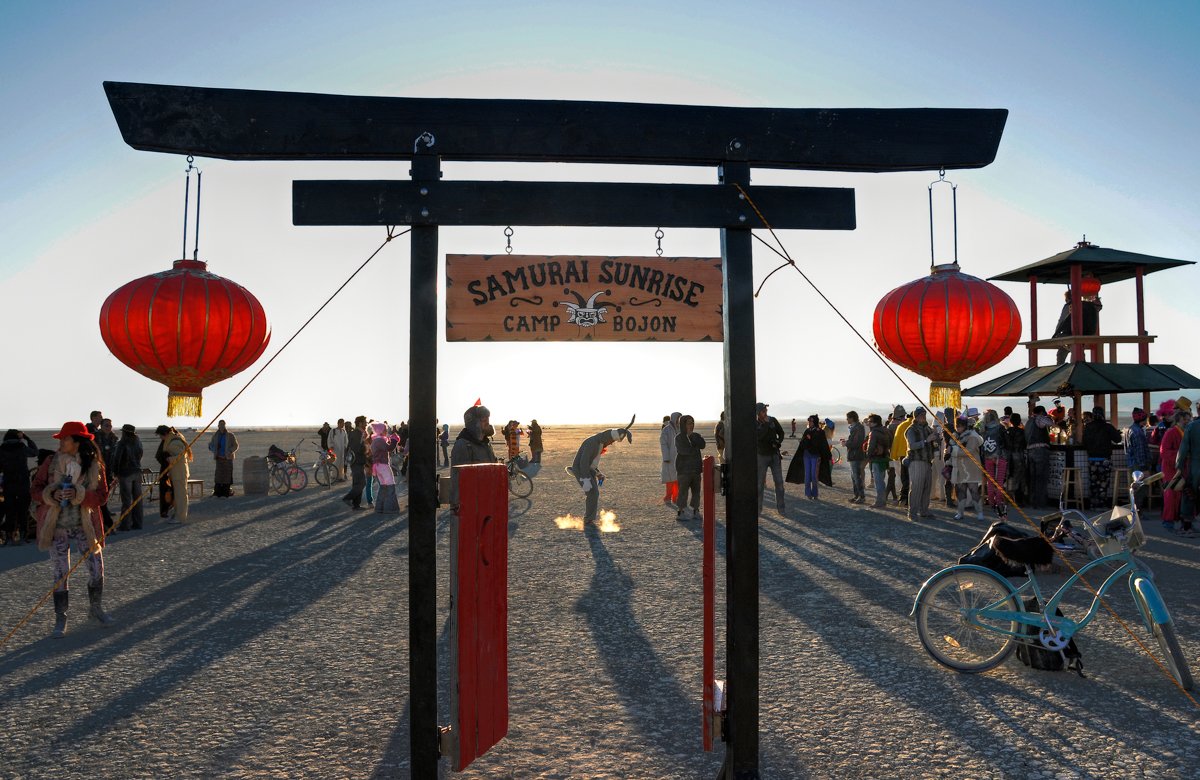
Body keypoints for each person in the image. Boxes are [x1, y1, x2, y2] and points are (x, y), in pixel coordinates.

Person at [31, 421, 113, 636]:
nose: (61, 442)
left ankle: (95, 609)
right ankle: (61, 618)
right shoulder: (50, 462)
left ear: (77, 441)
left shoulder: (95, 466)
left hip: (86, 527)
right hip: (57, 528)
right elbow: (35, 490)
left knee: (96, 569)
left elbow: (102, 498)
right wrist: (51, 494)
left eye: (65, 438)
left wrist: (81, 495)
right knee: (60, 573)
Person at [568, 418, 634, 524]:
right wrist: (585, 479)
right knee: (592, 493)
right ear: (609, 438)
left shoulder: (600, 443)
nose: (611, 443)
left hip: (587, 470)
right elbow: (583, 463)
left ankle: (589, 519)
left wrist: (598, 473)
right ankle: (588, 519)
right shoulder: (592, 443)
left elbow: (591, 463)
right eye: (612, 441)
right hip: (581, 470)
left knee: (594, 493)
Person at [450, 406, 496, 515]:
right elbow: (459, 481)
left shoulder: (486, 444)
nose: (488, 423)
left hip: (487, 504)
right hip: (472, 509)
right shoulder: (463, 445)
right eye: (484, 420)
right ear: (473, 423)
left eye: (488, 419)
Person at [0, 430, 38, 545]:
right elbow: (35, 452)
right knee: (23, 510)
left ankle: (9, 537)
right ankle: (23, 536)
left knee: (9, 510)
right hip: (22, 483)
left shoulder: (1, 449)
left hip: (8, 483)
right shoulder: (21, 447)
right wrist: (27, 438)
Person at [1082, 407, 1121, 511]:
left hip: (1092, 459)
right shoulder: (1107, 427)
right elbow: (1118, 439)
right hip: (1104, 459)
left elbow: (1084, 443)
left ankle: (1093, 505)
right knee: (1103, 483)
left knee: (1094, 482)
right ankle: (1102, 505)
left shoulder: (1088, 427)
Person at [1160, 409, 1192, 535]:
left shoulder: (1186, 432)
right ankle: (1168, 522)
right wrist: (1181, 455)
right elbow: (1164, 452)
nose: (1188, 422)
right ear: (1179, 420)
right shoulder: (1171, 432)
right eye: (1186, 419)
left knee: (1185, 496)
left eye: (1189, 420)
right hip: (1170, 469)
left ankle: (1185, 523)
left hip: (1183, 468)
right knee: (1171, 496)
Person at [904, 407, 938, 520]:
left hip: (928, 461)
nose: (923, 416)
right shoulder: (911, 430)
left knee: (926, 487)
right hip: (916, 461)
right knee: (916, 488)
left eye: (924, 414)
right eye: (921, 414)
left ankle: (924, 510)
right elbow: (912, 446)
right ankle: (912, 513)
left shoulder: (927, 428)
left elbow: (934, 442)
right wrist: (926, 441)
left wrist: (936, 438)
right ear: (916, 416)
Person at [1052, 289, 1101, 364]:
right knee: (1063, 351)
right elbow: (1098, 307)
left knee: (1064, 345)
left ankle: (1061, 367)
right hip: (1088, 333)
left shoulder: (1069, 305)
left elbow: (1061, 321)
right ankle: (1080, 361)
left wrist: (1055, 334)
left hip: (1072, 334)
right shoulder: (1087, 305)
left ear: (1068, 299)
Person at [950, 416, 984, 521]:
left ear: (964, 426)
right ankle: (960, 512)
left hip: (971, 468)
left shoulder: (973, 436)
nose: (957, 428)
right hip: (960, 468)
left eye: (959, 426)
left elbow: (968, 451)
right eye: (956, 426)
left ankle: (980, 512)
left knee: (973, 490)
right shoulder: (955, 436)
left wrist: (954, 450)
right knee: (960, 490)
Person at [111, 424, 144, 531]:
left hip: (125, 474)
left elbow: (117, 459)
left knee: (127, 500)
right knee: (137, 499)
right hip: (137, 471)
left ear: (124, 432)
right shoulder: (138, 442)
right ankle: (137, 523)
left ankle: (125, 525)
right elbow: (140, 454)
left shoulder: (122, 443)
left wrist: (115, 472)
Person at [755, 403, 786, 515]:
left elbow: (781, 432)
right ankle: (758, 509)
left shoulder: (773, 420)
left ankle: (781, 508)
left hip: (774, 455)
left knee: (779, 483)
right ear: (758, 413)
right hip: (761, 456)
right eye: (763, 411)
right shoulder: (755, 423)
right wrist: (766, 425)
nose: (765, 413)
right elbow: (760, 436)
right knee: (759, 485)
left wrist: (778, 441)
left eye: (766, 411)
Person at [674, 415, 706, 521]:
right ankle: (680, 511)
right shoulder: (679, 438)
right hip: (684, 470)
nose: (691, 425)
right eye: (688, 423)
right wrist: (693, 446)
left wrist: (692, 436)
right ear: (683, 424)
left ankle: (696, 511)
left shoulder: (696, 435)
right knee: (683, 492)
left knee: (696, 492)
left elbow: (702, 445)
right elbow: (684, 451)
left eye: (692, 423)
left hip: (696, 469)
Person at [792, 414, 830, 501]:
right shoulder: (807, 431)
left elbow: (822, 445)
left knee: (814, 475)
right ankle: (808, 493)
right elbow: (802, 443)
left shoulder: (820, 432)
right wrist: (808, 440)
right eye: (808, 420)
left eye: (810, 420)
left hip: (815, 456)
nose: (809, 422)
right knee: (807, 475)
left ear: (815, 422)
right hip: (807, 456)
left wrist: (810, 439)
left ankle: (815, 493)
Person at [157, 425, 191, 522]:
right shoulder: (174, 439)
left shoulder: (174, 442)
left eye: (161, 436)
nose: (161, 438)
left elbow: (181, 456)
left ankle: (180, 517)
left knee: (181, 495)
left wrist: (169, 459)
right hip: (176, 472)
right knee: (178, 495)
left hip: (179, 472)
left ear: (165, 434)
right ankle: (178, 514)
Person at [979, 410, 1009, 517]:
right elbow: (1006, 442)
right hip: (1000, 456)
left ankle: (991, 501)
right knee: (999, 481)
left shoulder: (983, 429)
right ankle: (999, 502)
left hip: (987, 457)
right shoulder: (1001, 427)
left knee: (990, 481)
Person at [1025, 405, 1054, 508]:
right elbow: (1050, 423)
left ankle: (1032, 501)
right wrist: (1049, 417)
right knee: (1041, 477)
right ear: (1041, 412)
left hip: (1030, 451)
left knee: (1032, 477)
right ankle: (1041, 502)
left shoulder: (1028, 422)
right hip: (1040, 451)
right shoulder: (1039, 418)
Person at [369, 422, 401, 513]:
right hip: (383, 466)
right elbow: (389, 448)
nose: (386, 431)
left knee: (383, 487)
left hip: (378, 466)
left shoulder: (376, 440)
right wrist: (395, 440)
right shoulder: (379, 440)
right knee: (390, 486)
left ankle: (380, 507)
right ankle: (390, 508)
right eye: (385, 429)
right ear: (380, 430)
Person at [864, 414, 891, 508]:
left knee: (878, 481)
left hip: (876, 459)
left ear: (875, 422)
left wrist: (867, 457)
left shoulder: (874, 433)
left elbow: (870, 447)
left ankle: (880, 502)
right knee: (881, 480)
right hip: (884, 458)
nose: (869, 423)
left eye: (870, 421)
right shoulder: (886, 430)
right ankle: (882, 500)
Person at [342, 416, 369, 510]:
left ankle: (356, 505)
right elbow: (356, 449)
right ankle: (347, 498)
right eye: (365, 422)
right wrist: (366, 448)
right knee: (362, 483)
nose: (366, 424)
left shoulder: (357, 433)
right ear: (360, 423)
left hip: (357, 462)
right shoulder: (357, 434)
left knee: (357, 483)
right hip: (357, 461)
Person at [208, 420, 239, 497]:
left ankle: (226, 491)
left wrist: (229, 451)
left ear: (225, 425)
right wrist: (214, 449)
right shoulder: (215, 436)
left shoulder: (230, 435)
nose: (222, 426)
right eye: (220, 424)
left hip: (227, 459)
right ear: (218, 426)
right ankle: (218, 492)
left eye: (223, 424)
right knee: (219, 476)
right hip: (219, 459)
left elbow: (236, 445)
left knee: (227, 476)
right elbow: (210, 445)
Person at [842, 411, 867, 504]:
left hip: (856, 455)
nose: (846, 419)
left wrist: (846, 443)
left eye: (847, 418)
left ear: (852, 418)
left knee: (857, 477)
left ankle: (861, 496)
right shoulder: (855, 428)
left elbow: (857, 442)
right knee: (854, 476)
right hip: (854, 455)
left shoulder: (858, 428)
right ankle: (857, 496)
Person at [889, 407, 912, 505]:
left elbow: (895, 441)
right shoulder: (915, 425)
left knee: (902, 478)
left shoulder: (900, 426)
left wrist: (893, 455)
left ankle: (902, 498)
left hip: (900, 455)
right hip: (913, 455)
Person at [660, 412, 681, 507]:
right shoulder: (666, 430)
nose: (679, 420)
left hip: (680, 458)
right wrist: (666, 457)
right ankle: (668, 497)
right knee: (670, 480)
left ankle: (676, 498)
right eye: (678, 418)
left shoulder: (681, 429)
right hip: (670, 459)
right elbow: (663, 444)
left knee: (678, 479)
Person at [1123, 407, 1150, 475]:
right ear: (1143, 419)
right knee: (1142, 484)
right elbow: (1140, 451)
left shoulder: (1129, 429)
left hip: (1131, 463)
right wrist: (1144, 466)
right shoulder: (1138, 432)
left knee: (1136, 484)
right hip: (1139, 465)